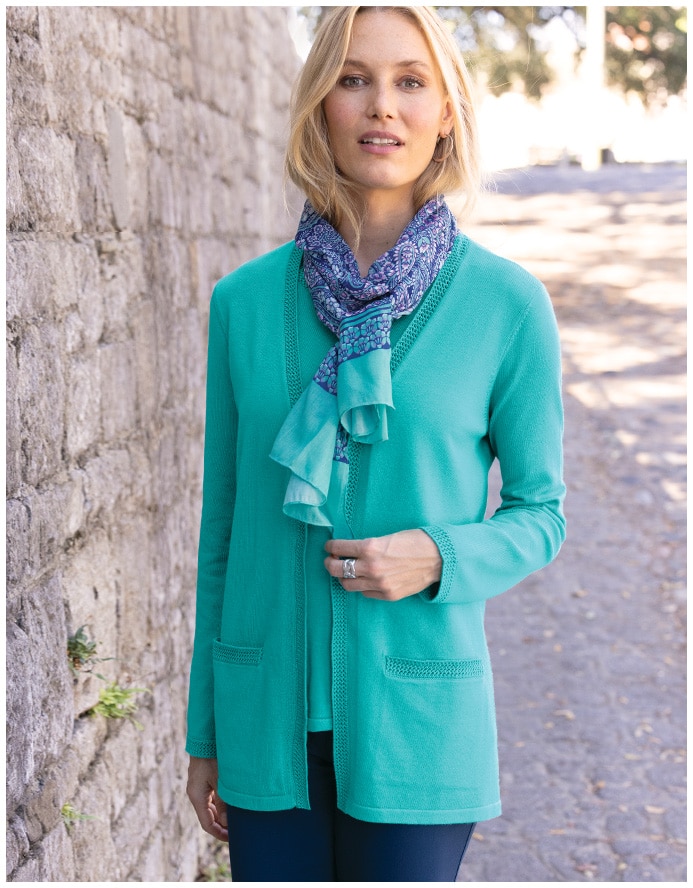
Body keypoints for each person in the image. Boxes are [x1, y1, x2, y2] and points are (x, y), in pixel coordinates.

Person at [185, 5, 566, 882]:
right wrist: (206, 730)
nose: (380, 107)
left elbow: (540, 513)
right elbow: (223, 534)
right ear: (321, 104)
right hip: (261, 723)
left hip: (420, 725)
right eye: (353, 79)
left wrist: (437, 556)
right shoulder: (243, 304)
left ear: (445, 111)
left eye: (409, 81)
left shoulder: (507, 307)